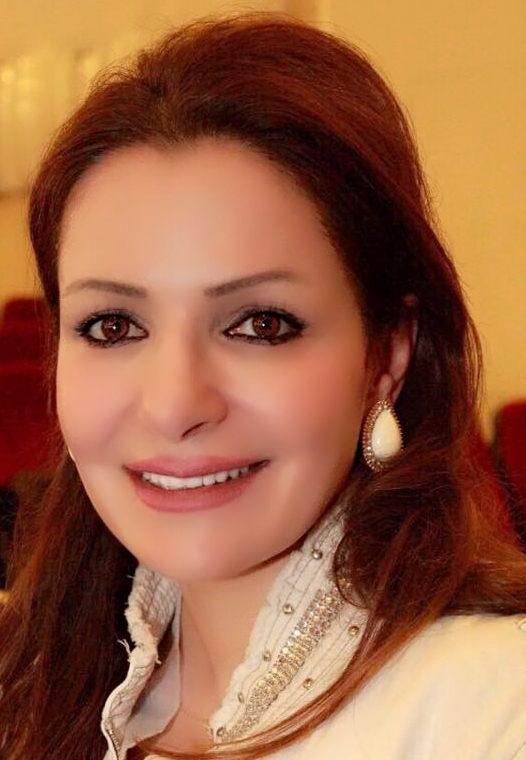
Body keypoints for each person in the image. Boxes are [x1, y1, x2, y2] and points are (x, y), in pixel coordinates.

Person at [0, 13, 525, 760]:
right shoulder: (29, 691)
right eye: (113, 326)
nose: (174, 404)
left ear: (388, 355)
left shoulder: (493, 710)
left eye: (260, 324)